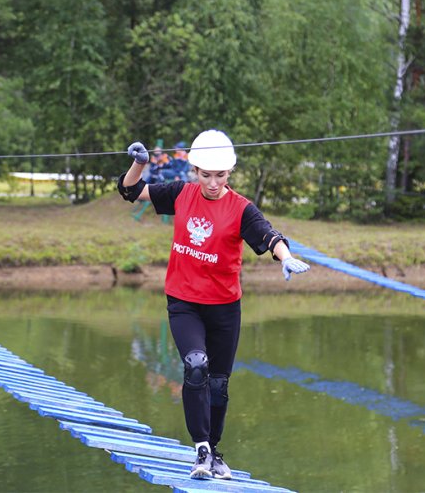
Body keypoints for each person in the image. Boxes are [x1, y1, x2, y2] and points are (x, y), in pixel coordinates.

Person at [118, 129, 311, 480]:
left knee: (219, 384)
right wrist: (139, 163)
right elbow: (130, 191)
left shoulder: (240, 208)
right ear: (194, 170)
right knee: (195, 366)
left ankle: (216, 453)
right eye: (206, 174)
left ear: (230, 173)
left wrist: (284, 257)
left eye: (220, 175)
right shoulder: (181, 193)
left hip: (224, 307)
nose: (212, 182)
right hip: (184, 302)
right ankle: (201, 450)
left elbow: (269, 235)